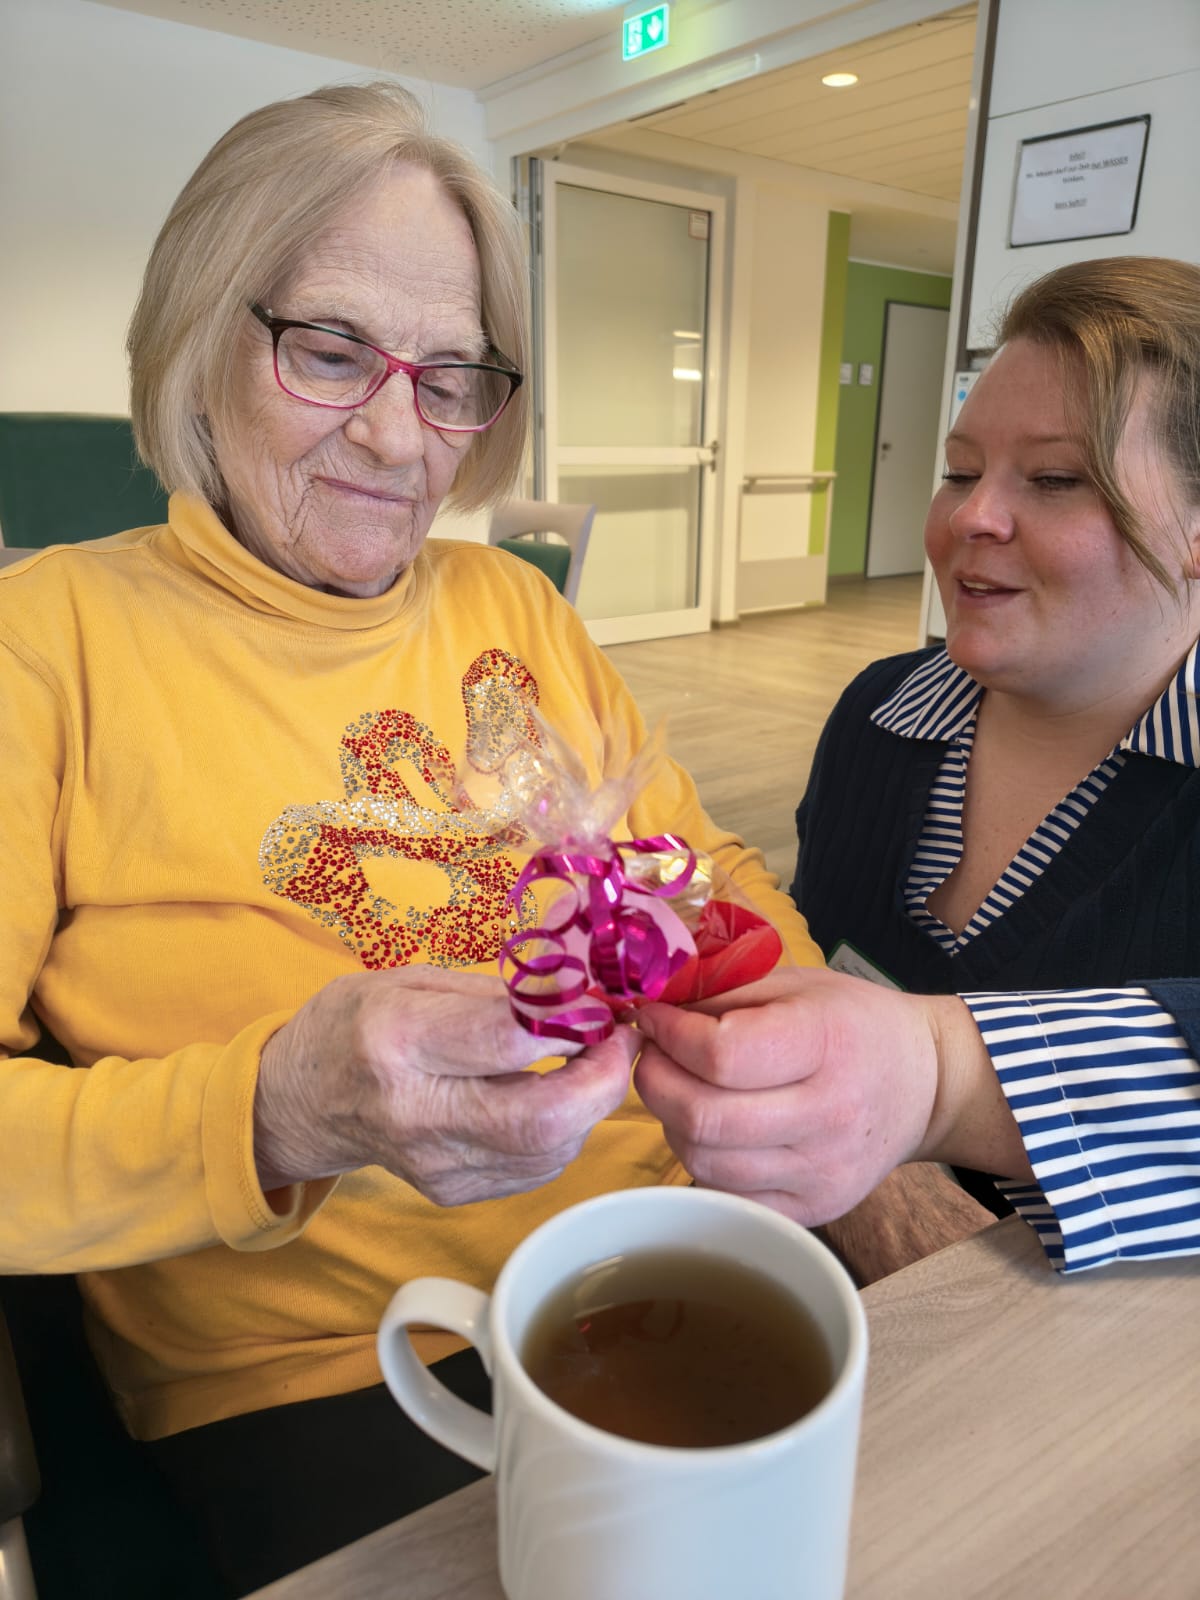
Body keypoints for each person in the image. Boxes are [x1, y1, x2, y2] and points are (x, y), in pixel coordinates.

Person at [0, 82, 822, 1596]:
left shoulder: (513, 605)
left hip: (667, 1249)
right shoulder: (45, 642)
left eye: (450, 377)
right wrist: (276, 1112)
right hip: (321, 1369)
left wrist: (806, 1051)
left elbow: (711, 874)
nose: (396, 436)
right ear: (201, 335)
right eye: (330, 352)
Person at [636, 255, 1200, 1285]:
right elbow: (822, 955)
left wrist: (940, 1077)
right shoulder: (880, 718)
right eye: (960, 471)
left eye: (1056, 479)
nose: (971, 518)